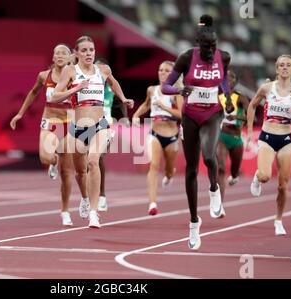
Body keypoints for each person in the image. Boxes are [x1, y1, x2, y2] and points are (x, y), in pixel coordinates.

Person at [161, 15, 234, 250]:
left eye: (213, 46)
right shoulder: (185, 58)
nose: (211, 52)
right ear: (198, 44)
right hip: (190, 115)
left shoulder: (224, 57)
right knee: (191, 170)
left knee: (210, 156)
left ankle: (214, 189)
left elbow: (223, 78)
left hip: (212, 113)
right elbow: (165, 86)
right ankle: (194, 222)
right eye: (206, 47)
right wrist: (180, 89)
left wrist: (226, 97)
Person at [51, 36, 134, 228]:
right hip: (78, 127)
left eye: (92, 50)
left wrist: (123, 98)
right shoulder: (71, 71)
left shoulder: (103, 70)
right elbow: (55, 95)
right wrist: (76, 89)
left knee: (93, 161)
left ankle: (94, 213)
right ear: (77, 53)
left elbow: (113, 83)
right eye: (85, 50)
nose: (89, 53)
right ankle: (85, 198)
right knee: (80, 173)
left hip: (100, 125)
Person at [10, 44, 75, 226]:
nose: (60, 55)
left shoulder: (75, 75)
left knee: (66, 172)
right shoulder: (43, 76)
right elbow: (32, 93)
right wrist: (20, 113)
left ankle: (65, 211)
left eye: (64, 53)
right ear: (53, 57)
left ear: (69, 57)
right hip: (51, 121)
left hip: (69, 123)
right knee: (45, 157)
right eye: (57, 53)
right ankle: (53, 162)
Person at [247, 54, 291, 236]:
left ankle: (278, 220)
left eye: (288, 65)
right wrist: (251, 130)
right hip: (267, 136)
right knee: (266, 176)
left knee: (283, 185)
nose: (284, 68)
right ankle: (258, 176)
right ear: (276, 69)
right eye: (281, 65)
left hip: (285, 140)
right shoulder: (267, 88)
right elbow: (252, 106)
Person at [132, 61, 183, 216]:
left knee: (168, 170)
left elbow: (182, 114)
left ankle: (169, 174)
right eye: (160, 70)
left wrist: (164, 107)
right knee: (153, 165)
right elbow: (147, 105)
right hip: (154, 133)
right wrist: (136, 115)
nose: (162, 72)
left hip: (172, 135)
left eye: (167, 70)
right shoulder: (152, 90)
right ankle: (152, 203)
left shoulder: (176, 92)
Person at [95, 58, 130, 212]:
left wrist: (125, 119)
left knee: (99, 157)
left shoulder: (110, 87)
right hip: (86, 123)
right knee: (86, 161)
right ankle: (90, 195)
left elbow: (121, 103)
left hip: (106, 124)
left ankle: (101, 195)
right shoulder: (87, 85)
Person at [216, 70, 250, 216]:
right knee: (221, 169)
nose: (228, 79)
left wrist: (236, 116)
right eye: (225, 77)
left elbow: (252, 117)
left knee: (234, 171)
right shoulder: (217, 98)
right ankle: (219, 205)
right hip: (221, 136)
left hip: (236, 138)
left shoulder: (240, 97)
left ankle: (235, 176)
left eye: (231, 77)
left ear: (236, 81)